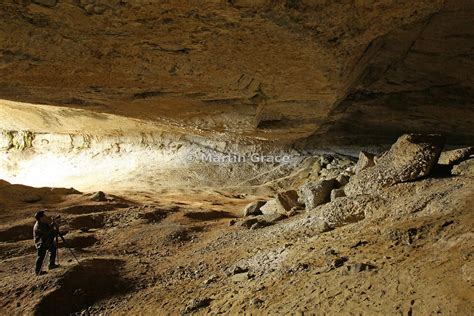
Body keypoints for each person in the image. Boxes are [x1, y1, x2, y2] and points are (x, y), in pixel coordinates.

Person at [33, 210, 59, 276]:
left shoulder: (43, 223)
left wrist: (53, 223)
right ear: (41, 218)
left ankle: (51, 264)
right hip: (41, 243)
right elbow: (47, 232)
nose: (45, 216)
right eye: (44, 215)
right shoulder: (38, 225)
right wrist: (53, 225)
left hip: (46, 241)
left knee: (53, 249)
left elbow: (49, 229)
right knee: (41, 257)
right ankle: (38, 271)